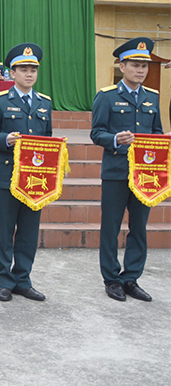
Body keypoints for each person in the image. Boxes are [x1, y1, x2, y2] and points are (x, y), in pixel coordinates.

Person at [90, 37, 162, 302]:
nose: (140, 70)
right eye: (135, 65)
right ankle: (112, 279)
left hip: (146, 174)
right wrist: (115, 139)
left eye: (144, 65)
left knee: (139, 227)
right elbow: (96, 133)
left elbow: (156, 132)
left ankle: (131, 278)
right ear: (122, 66)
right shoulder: (107, 96)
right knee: (111, 227)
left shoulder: (152, 97)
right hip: (116, 171)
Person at [0, 43, 52, 302]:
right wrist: (6, 139)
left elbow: (48, 140)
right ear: (12, 73)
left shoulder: (45, 103)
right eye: (23, 69)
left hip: (36, 177)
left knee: (29, 232)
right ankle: (4, 281)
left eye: (33, 69)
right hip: (8, 175)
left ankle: (23, 279)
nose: (29, 74)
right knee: (5, 231)